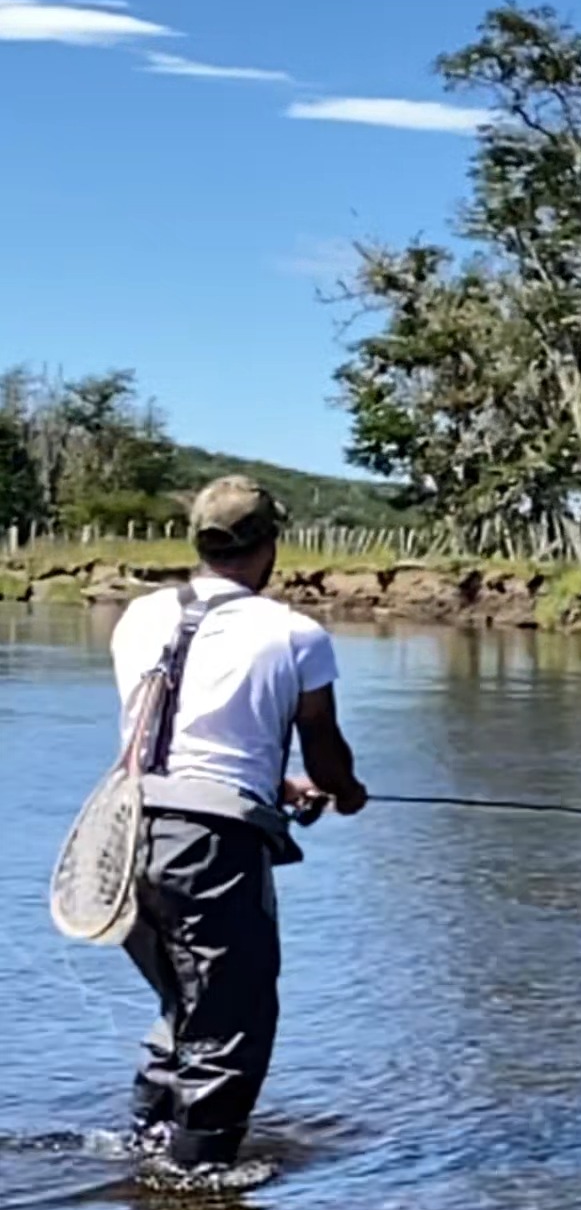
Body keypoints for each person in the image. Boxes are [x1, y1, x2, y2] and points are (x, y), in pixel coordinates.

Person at [110, 476, 367, 1170]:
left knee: (184, 1003)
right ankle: (200, 1183)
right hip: (212, 846)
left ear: (199, 541)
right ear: (269, 545)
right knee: (231, 1019)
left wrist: (276, 786)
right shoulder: (295, 634)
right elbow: (325, 750)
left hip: (122, 834)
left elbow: (176, 737)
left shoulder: (139, 617)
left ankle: (145, 1149)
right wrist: (345, 792)